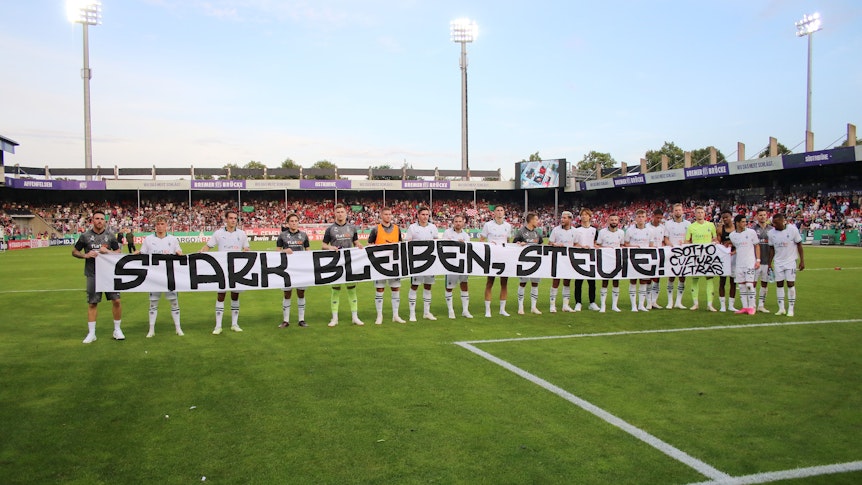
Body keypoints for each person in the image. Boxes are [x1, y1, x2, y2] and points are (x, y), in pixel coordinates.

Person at [72, 210, 123, 343]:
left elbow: (118, 252)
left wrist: (108, 251)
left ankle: (117, 330)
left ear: (105, 221)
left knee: (116, 301)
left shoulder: (110, 236)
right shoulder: (85, 236)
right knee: (93, 303)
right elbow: (74, 251)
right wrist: (85, 255)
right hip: (92, 273)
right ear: (92, 220)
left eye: (101, 219)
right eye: (97, 218)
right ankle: (92, 333)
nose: (99, 221)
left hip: (109, 273)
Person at [200, 210, 250, 334]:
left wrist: (246, 250)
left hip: (237, 269)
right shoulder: (218, 233)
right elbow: (208, 246)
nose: (233, 220)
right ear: (226, 219)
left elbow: (246, 248)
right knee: (221, 295)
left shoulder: (242, 234)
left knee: (235, 295)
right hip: (222, 269)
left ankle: (234, 324)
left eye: (235, 218)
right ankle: (218, 326)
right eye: (231, 218)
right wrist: (199, 254)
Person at [139, 215, 184, 337]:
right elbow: (142, 254)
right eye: (158, 224)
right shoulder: (148, 239)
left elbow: (179, 252)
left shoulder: (173, 239)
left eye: (162, 224)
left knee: (174, 302)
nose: (160, 226)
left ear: (166, 226)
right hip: (154, 276)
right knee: (153, 303)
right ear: (155, 226)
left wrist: (180, 253)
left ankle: (178, 328)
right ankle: (151, 330)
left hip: (169, 276)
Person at [322, 204, 365, 327]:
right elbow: (323, 245)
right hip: (336, 263)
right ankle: (334, 318)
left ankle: (355, 317)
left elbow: (356, 242)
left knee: (351, 289)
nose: (340, 214)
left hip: (349, 263)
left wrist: (359, 245)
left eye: (342, 212)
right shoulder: (330, 229)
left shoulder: (352, 228)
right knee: (335, 290)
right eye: (338, 212)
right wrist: (330, 247)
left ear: (346, 214)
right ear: (335, 214)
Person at [367, 207, 406, 324]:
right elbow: (369, 246)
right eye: (386, 214)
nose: (388, 216)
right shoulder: (375, 230)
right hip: (380, 264)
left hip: (393, 264)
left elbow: (400, 245)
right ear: (381, 216)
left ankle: (396, 315)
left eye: (390, 214)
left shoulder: (397, 229)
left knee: (395, 288)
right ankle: (379, 315)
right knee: (380, 289)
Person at [405, 206, 439, 321]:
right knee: (414, 286)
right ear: (418, 215)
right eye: (423, 214)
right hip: (417, 262)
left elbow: (436, 242)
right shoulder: (412, 228)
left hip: (430, 262)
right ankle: (412, 313)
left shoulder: (433, 227)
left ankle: (426, 312)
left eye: (427, 215)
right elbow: (407, 244)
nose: (425, 217)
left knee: (428, 286)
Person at [276, 213, 310, 328]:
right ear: (288, 223)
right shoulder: (282, 235)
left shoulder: (304, 235)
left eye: (296, 221)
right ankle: (286, 320)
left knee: (301, 293)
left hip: (300, 269)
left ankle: (301, 319)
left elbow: (309, 252)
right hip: (287, 269)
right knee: (287, 294)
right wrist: (285, 251)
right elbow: (276, 252)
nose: (294, 223)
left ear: (298, 222)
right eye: (291, 221)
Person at [768, 213, 805, 317]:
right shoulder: (771, 233)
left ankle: (791, 309)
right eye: (773, 223)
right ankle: (781, 308)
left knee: (790, 284)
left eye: (776, 223)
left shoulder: (792, 230)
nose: (774, 225)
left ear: (782, 221)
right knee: (779, 284)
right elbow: (771, 249)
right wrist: (769, 263)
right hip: (778, 262)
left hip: (790, 262)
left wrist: (802, 261)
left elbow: (799, 245)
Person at [480, 206, 513, 317]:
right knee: (490, 283)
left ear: (504, 212)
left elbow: (508, 240)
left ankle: (502, 309)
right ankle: (487, 310)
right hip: (492, 257)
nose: (499, 212)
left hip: (503, 257)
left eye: (501, 210)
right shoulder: (488, 225)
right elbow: (482, 240)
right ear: (494, 213)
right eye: (497, 210)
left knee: (504, 283)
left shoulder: (508, 226)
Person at [685, 206, 719, 312]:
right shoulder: (691, 227)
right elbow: (687, 241)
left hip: (708, 257)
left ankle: (710, 304)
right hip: (695, 256)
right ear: (695, 214)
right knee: (695, 279)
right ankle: (695, 303)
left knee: (709, 278)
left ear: (705, 214)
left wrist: (716, 242)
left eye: (702, 212)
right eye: (698, 212)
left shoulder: (711, 225)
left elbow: (715, 239)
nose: (700, 214)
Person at [443, 213, 473, 319]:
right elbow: (443, 246)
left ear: (463, 222)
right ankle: (450, 310)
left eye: (460, 221)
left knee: (464, 285)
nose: (458, 223)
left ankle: (465, 310)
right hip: (450, 264)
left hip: (462, 264)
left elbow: (469, 250)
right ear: (453, 222)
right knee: (449, 287)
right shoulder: (447, 233)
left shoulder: (466, 236)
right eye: (456, 221)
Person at [728, 214, 760, 315]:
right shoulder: (732, 235)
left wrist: (758, 260)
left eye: (745, 221)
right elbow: (738, 248)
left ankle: (752, 306)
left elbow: (757, 246)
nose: (745, 223)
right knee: (741, 286)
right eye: (743, 222)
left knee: (750, 285)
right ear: (737, 223)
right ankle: (745, 307)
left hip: (750, 262)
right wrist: (733, 252)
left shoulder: (751, 232)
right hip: (739, 264)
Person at [512, 212, 543, 315]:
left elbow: (541, 245)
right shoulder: (521, 232)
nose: (537, 221)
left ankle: (534, 307)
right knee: (523, 283)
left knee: (535, 284)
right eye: (536, 219)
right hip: (524, 262)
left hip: (535, 262)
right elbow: (513, 244)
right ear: (531, 220)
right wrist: (519, 244)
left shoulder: (537, 233)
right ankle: (520, 306)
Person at [624, 209, 654, 312]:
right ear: (635, 218)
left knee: (643, 282)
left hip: (645, 259)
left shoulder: (650, 231)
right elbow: (626, 244)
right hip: (633, 259)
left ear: (646, 218)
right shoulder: (629, 230)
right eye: (639, 217)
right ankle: (633, 305)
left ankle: (641, 305)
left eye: (642, 217)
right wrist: (634, 246)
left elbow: (651, 245)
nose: (641, 219)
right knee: (633, 281)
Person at [548, 211, 577, 313]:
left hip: (569, 260)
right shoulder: (556, 230)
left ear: (570, 219)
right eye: (562, 218)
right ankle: (552, 305)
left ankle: (565, 305)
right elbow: (550, 243)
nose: (562, 220)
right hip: (558, 259)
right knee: (556, 281)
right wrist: (555, 244)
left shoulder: (575, 231)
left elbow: (576, 244)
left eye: (565, 218)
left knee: (567, 282)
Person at [663, 203, 690, 309]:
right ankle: (670, 301)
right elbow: (666, 239)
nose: (678, 212)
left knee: (682, 277)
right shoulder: (668, 224)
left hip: (684, 253)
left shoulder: (688, 224)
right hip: (672, 253)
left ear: (682, 211)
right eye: (676, 210)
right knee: (671, 276)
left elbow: (690, 239)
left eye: (679, 210)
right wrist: (673, 246)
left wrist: (684, 244)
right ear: (673, 212)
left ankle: (679, 301)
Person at [596, 214, 625, 313]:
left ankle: (614, 305)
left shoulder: (621, 233)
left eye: (615, 220)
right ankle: (603, 305)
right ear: (608, 221)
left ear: (618, 221)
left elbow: (622, 245)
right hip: (605, 260)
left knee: (616, 282)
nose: (613, 221)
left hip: (617, 260)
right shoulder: (602, 232)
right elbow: (597, 245)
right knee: (605, 282)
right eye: (612, 220)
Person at [572, 208, 599, 311]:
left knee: (592, 282)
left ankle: (592, 302)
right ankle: (578, 302)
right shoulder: (576, 230)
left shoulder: (594, 230)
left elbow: (597, 242)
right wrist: (582, 246)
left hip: (591, 258)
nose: (584, 216)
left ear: (589, 216)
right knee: (578, 281)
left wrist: (595, 246)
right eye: (582, 215)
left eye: (586, 215)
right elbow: (574, 243)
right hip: (579, 257)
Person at [752, 208, 773, 313]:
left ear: (767, 216)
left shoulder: (771, 229)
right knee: (753, 284)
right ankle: (753, 305)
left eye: (764, 215)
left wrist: (771, 262)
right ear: (756, 217)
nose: (763, 217)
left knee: (764, 283)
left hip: (767, 261)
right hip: (755, 262)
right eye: (760, 215)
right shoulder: (752, 229)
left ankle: (761, 305)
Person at [716, 209, 737, 312]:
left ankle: (731, 305)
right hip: (724, 257)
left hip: (735, 257)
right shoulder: (720, 229)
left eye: (727, 217)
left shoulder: (737, 228)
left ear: (731, 217)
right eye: (723, 218)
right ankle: (722, 305)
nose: (725, 219)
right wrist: (721, 244)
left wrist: (734, 248)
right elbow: (718, 243)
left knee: (733, 282)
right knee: (722, 281)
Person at [646, 208, 666, 309]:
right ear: (653, 216)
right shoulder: (647, 227)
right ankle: (648, 302)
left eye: (660, 218)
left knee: (657, 279)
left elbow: (664, 241)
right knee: (648, 279)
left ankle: (654, 301)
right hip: (649, 255)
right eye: (657, 218)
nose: (659, 220)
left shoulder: (663, 228)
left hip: (660, 255)